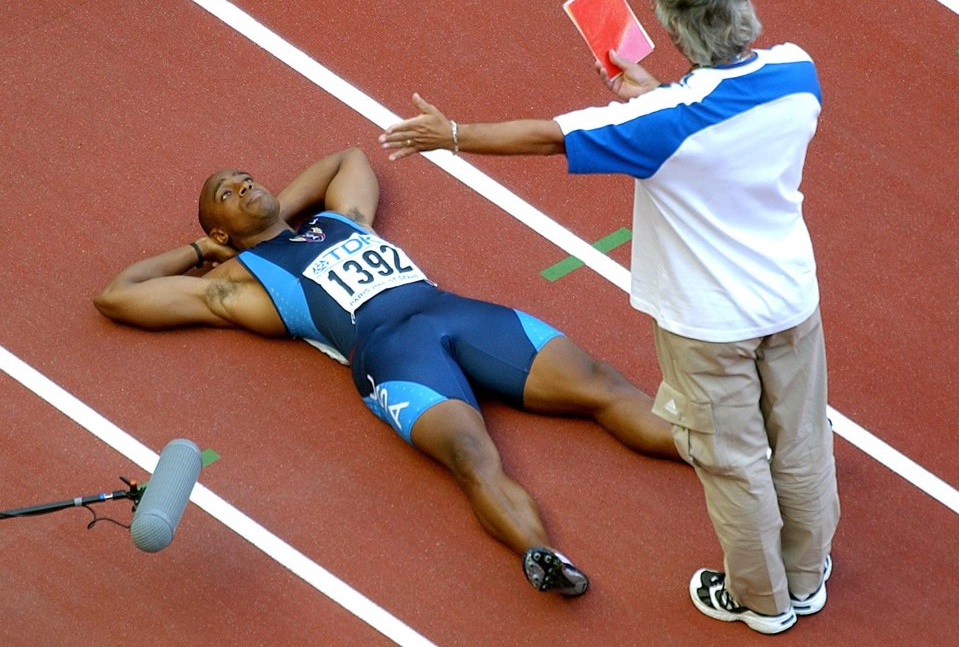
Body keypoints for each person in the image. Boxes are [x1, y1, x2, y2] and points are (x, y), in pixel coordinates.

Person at [379, 0, 839, 634]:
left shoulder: (658, 127)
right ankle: (806, 577)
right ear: (740, 8)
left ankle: (762, 601)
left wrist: (451, 134)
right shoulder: (797, 72)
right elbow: (713, 109)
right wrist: (658, 93)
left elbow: (548, 137)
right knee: (800, 443)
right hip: (791, 299)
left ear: (680, 32)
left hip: (709, 325)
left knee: (733, 463)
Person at [94, 146, 682, 597]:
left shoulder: (342, 220)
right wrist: (205, 252)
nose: (243, 184)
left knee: (603, 385)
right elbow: (117, 296)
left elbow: (347, 157)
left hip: (459, 314)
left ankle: (725, 450)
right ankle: (541, 555)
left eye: (246, 177)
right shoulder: (240, 285)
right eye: (227, 191)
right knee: (472, 458)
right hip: (395, 357)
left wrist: (276, 218)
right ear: (218, 229)